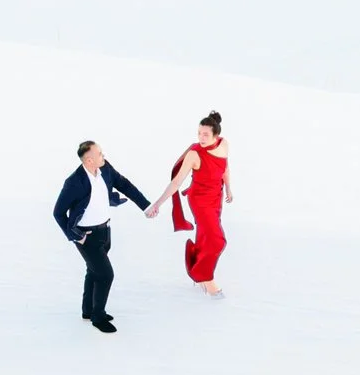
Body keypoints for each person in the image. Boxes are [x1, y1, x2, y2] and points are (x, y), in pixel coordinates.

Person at [53, 140, 151, 333]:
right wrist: (76, 236)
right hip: (86, 236)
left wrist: (145, 206)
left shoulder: (104, 169)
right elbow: (58, 213)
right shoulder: (74, 182)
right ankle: (98, 316)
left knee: (94, 271)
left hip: (104, 231)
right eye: (99, 154)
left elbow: (124, 184)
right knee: (106, 275)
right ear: (89, 160)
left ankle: (88, 311)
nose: (103, 155)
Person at [146, 111, 231, 294]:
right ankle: (206, 279)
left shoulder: (224, 144)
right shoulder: (194, 154)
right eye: (199, 133)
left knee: (206, 237)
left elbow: (225, 167)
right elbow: (176, 182)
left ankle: (198, 269)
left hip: (216, 198)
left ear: (216, 135)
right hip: (200, 201)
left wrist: (229, 188)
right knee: (217, 241)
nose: (201, 138)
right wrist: (157, 204)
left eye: (206, 134)